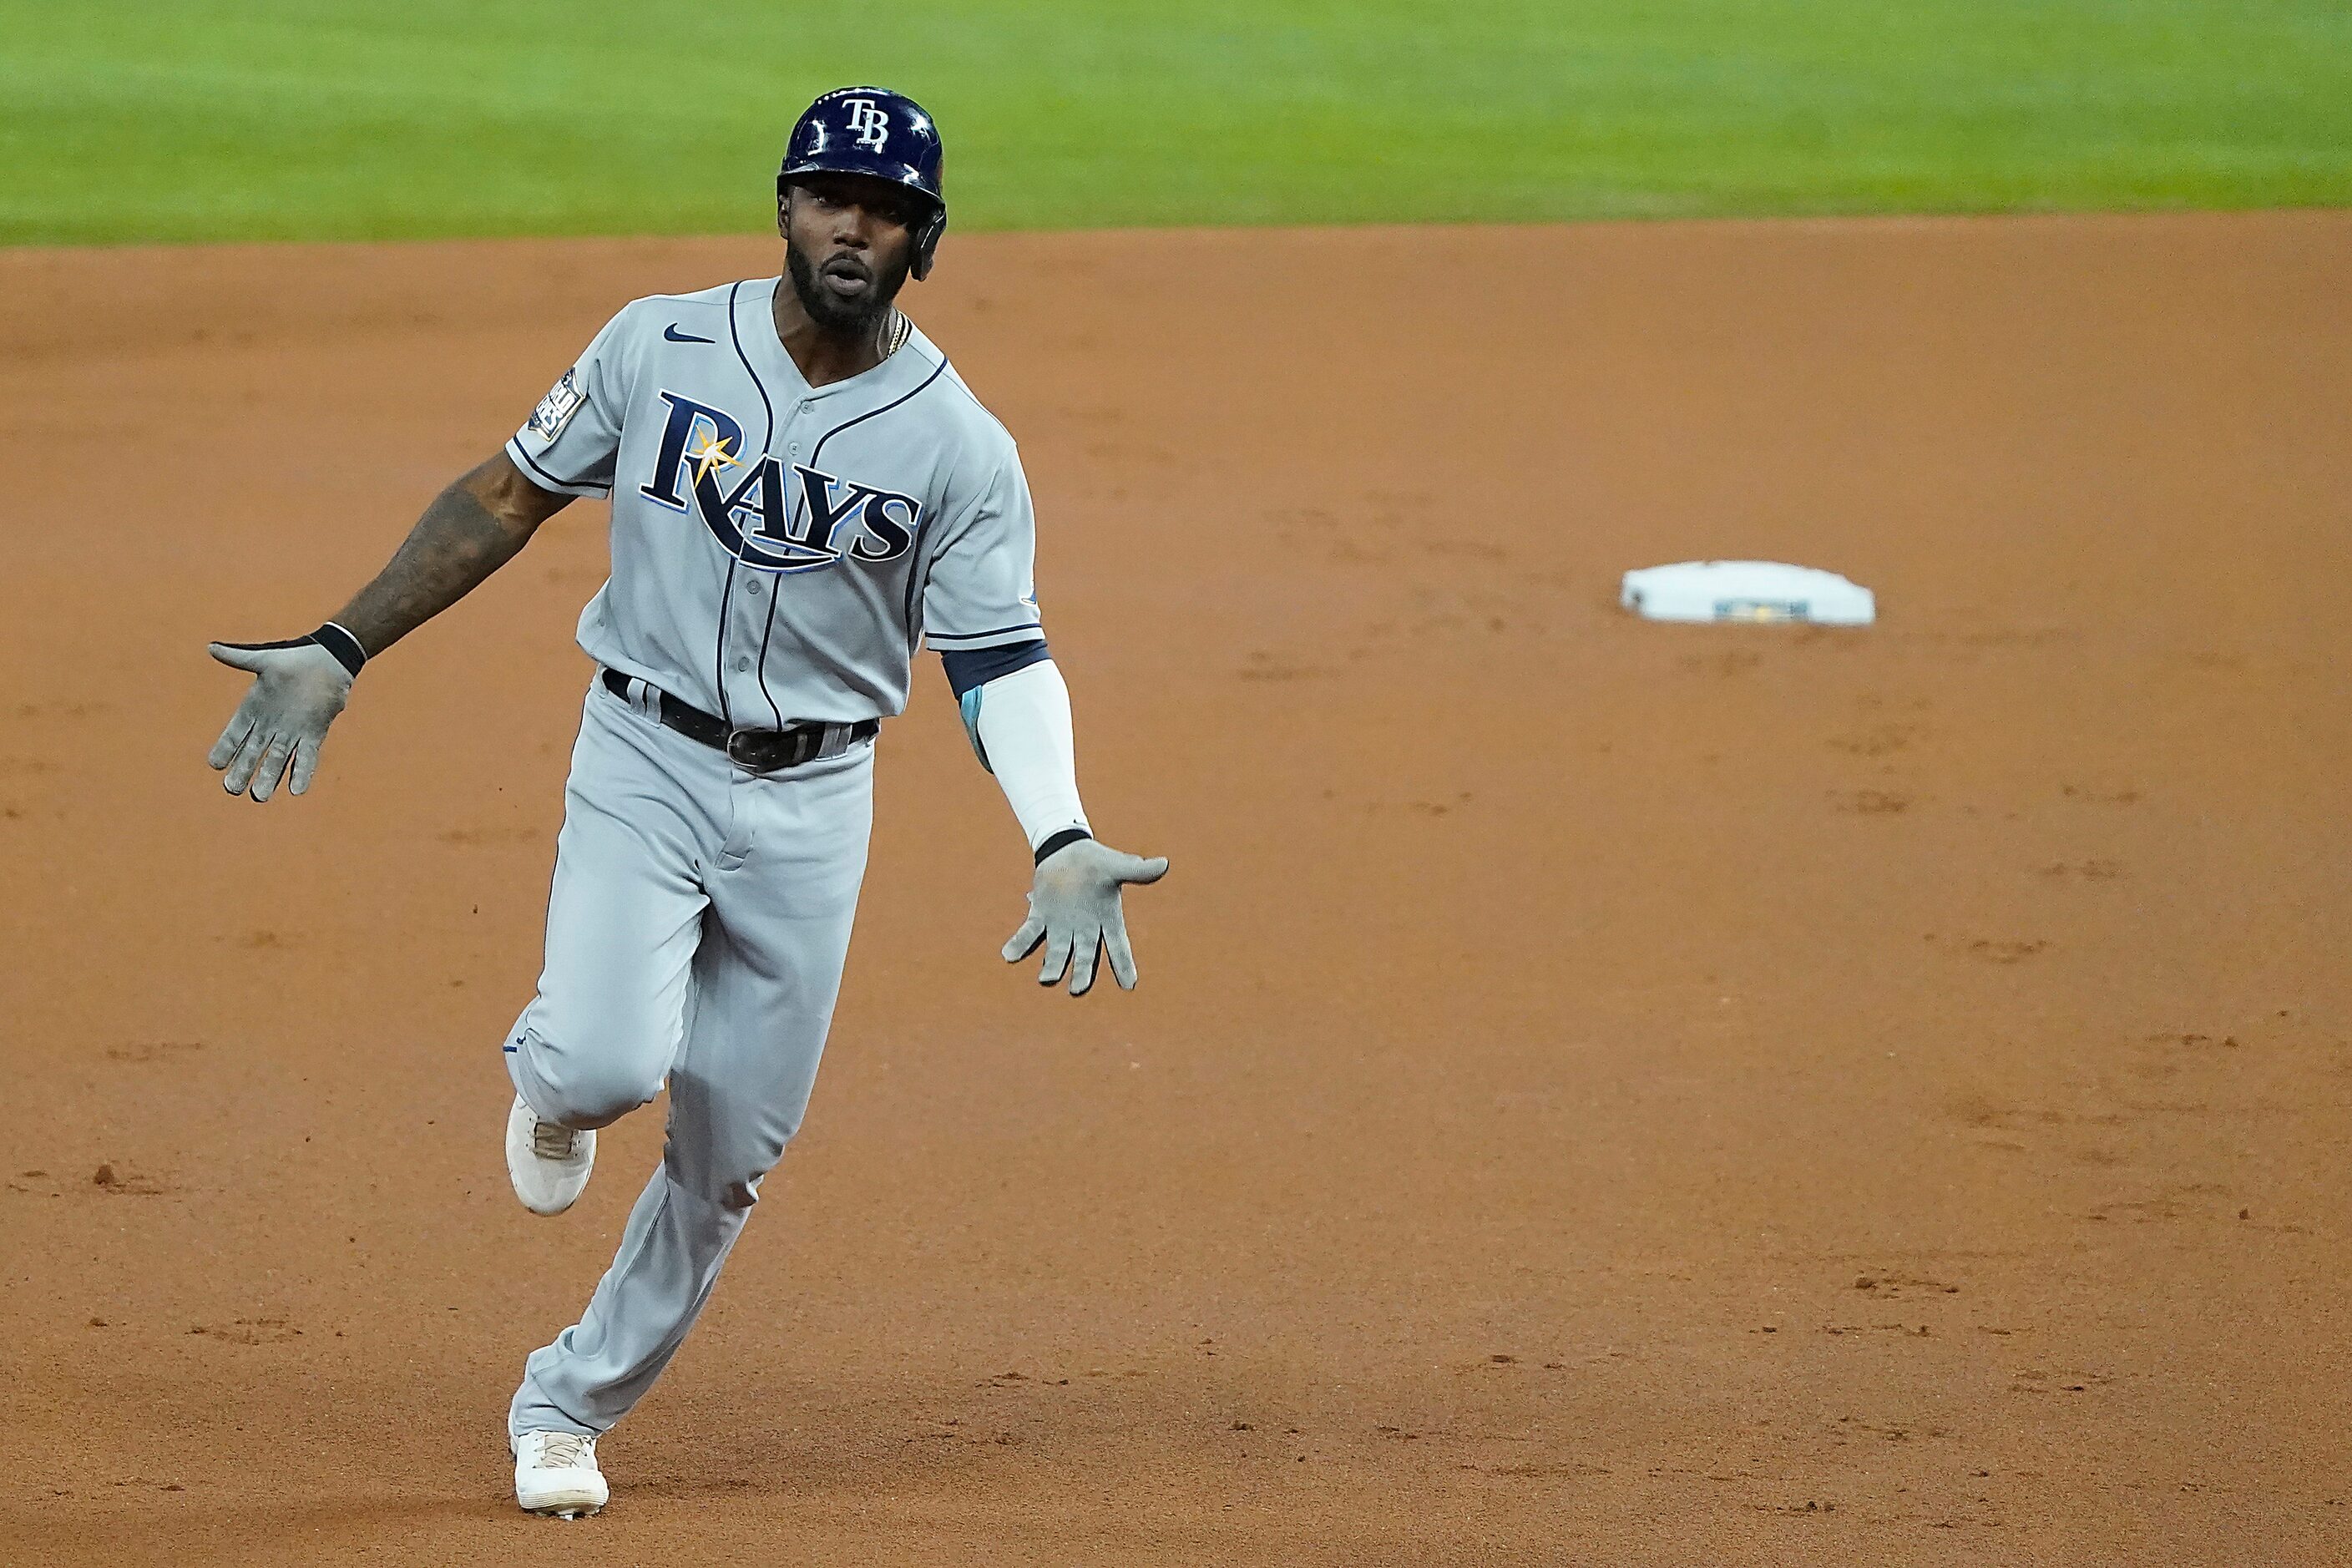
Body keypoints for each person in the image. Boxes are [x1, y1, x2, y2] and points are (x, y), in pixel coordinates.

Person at [203, 85, 1166, 1518]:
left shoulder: (960, 445)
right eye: (831, 194)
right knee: (598, 1066)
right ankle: (556, 1088)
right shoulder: (654, 342)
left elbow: (999, 654)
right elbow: (508, 494)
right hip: (644, 753)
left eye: (889, 208)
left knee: (727, 1158)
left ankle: (564, 1402)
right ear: (784, 206)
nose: (856, 224)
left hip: (816, 800)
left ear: (926, 240)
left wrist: (1060, 828)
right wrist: (343, 643)